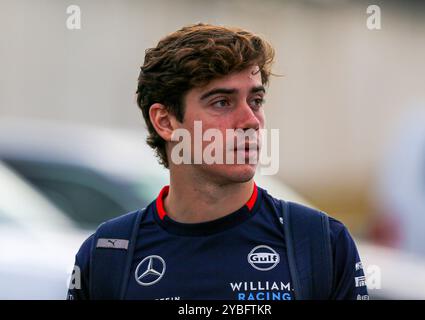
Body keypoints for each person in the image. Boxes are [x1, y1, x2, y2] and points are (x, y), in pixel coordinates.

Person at [67, 23, 368, 300]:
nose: (250, 120)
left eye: (256, 101)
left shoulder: (320, 243)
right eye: (222, 102)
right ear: (165, 121)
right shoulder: (108, 253)